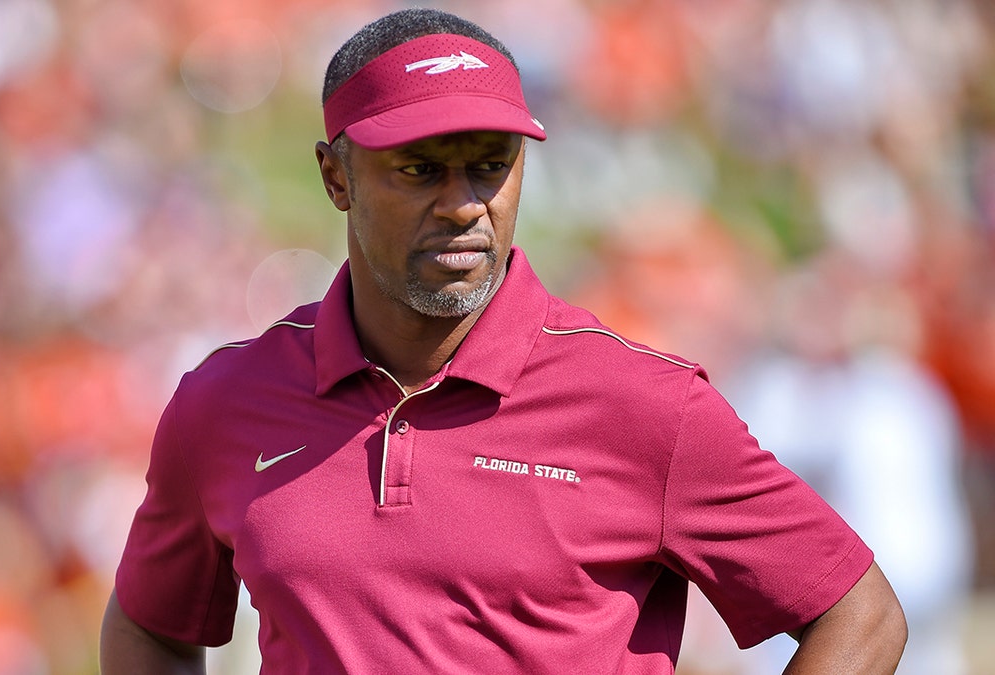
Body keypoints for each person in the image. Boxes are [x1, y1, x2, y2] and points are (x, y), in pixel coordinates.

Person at [100, 8, 907, 673]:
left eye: (491, 165)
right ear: (334, 176)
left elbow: (857, 613)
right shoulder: (224, 403)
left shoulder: (645, 404)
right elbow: (152, 629)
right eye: (420, 170)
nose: (464, 204)